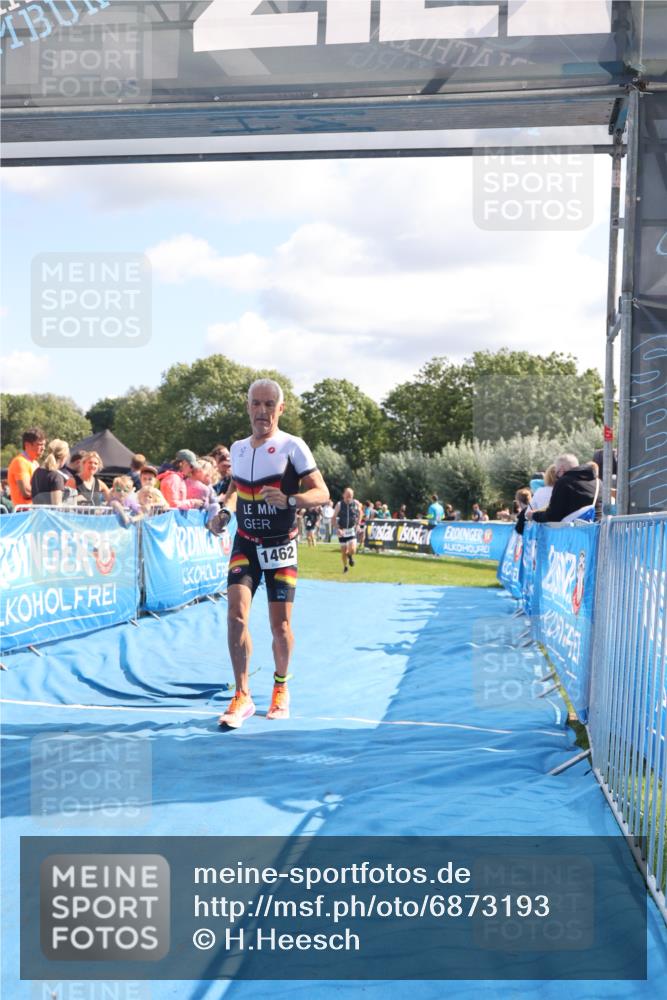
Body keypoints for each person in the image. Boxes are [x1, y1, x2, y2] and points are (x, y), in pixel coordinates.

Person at [208, 378, 329, 729]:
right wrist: (225, 513)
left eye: (269, 404)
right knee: (236, 616)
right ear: (248, 407)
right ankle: (242, 694)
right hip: (245, 543)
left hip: (281, 547)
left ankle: (280, 686)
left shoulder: (294, 446)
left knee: (281, 626)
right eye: (256, 404)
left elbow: (322, 492)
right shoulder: (239, 448)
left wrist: (291, 499)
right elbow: (233, 492)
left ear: (281, 408)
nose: (262, 411)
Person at [527, 454, 602, 524]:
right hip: (597, 531)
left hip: (574, 533)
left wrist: (534, 515)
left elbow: (553, 515)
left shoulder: (564, 482)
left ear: (561, 469)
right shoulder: (598, 482)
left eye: (556, 469)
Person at [7, 427, 46, 506]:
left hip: (35, 511)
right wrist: (49, 494)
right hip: (24, 513)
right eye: (40, 444)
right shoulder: (20, 462)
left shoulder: (35, 463)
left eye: (44, 445)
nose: (43, 448)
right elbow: (26, 492)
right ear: (27, 445)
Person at [31, 439, 73, 505]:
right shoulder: (56, 477)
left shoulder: (37, 472)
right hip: (49, 515)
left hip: (38, 513)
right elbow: (56, 506)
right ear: (64, 457)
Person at [333, 487, 363, 573]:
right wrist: (337, 529)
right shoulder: (339, 504)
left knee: (353, 549)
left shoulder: (356, 503)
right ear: (343, 495)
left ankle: (350, 556)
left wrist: (358, 524)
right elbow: (333, 518)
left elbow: (361, 512)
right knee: (343, 551)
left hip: (351, 529)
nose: (349, 497)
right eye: (347, 495)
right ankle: (345, 567)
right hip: (342, 530)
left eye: (351, 496)